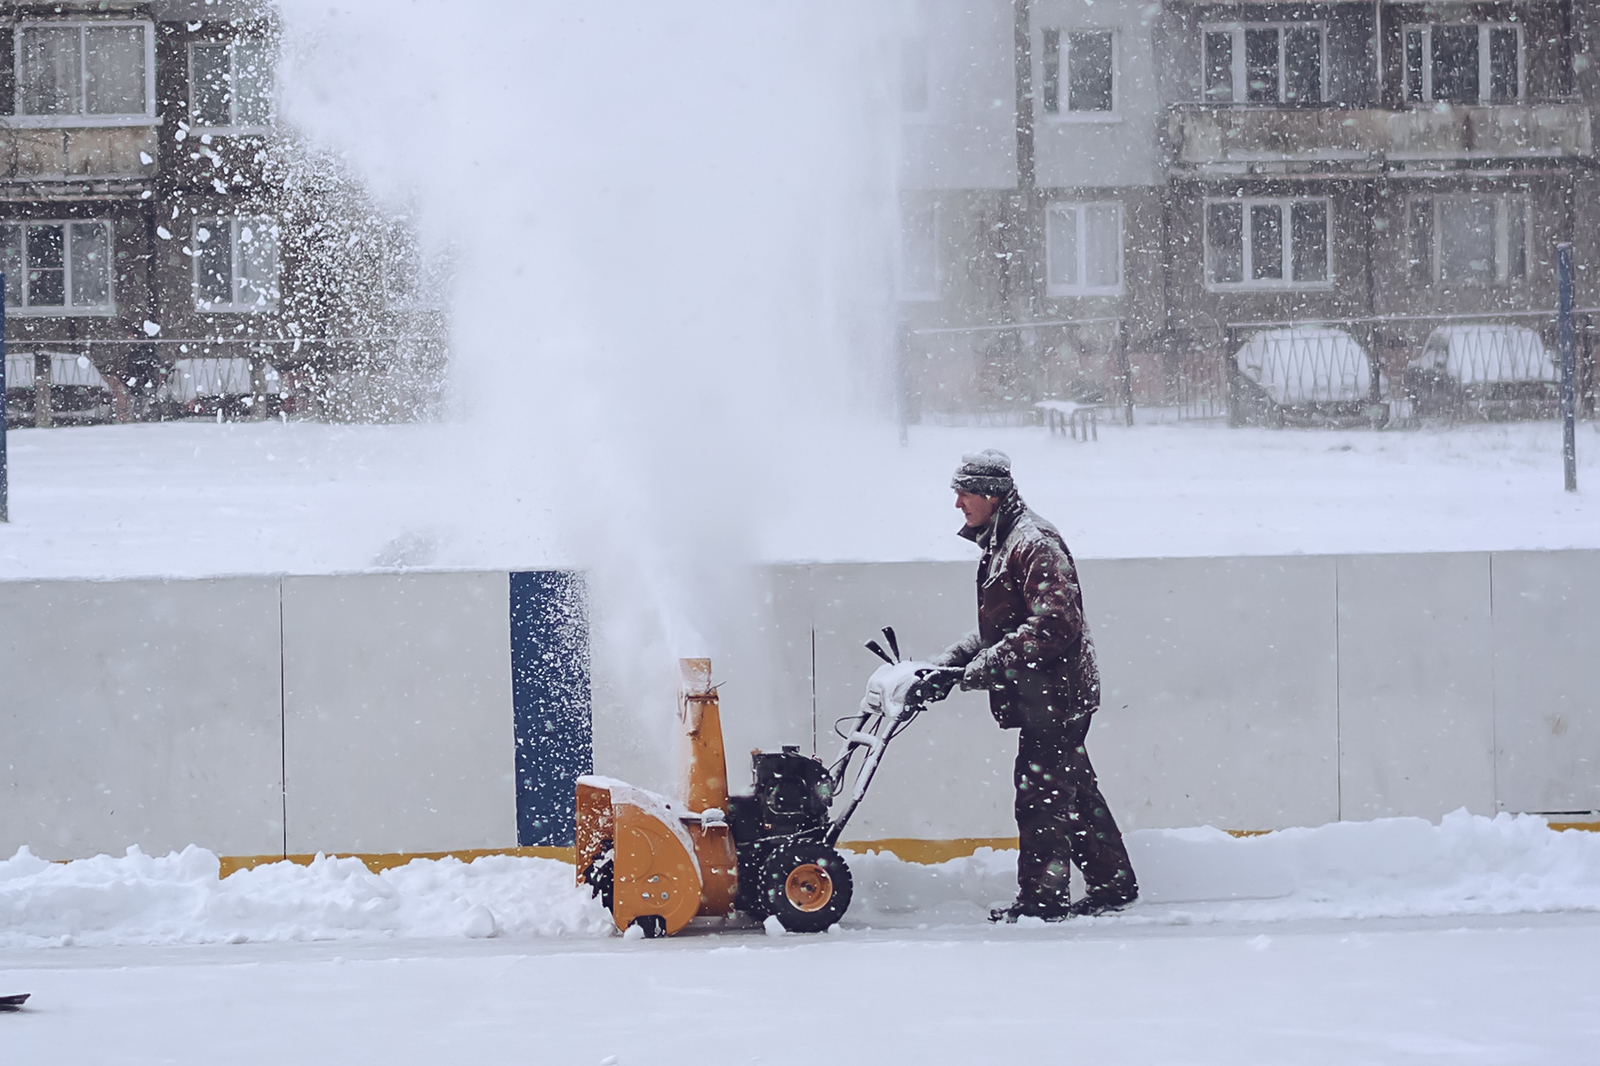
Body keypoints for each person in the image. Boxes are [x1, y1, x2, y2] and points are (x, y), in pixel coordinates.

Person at [933, 449, 1138, 921]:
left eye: (963, 493)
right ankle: (1113, 885)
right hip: (1042, 694)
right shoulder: (1004, 541)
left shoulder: (1033, 542)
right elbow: (1006, 627)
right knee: (1074, 790)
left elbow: (1055, 625)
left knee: (1041, 797)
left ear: (991, 493)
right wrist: (951, 664)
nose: (958, 503)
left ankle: (1042, 902)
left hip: (1057, 696)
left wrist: (985, 668)